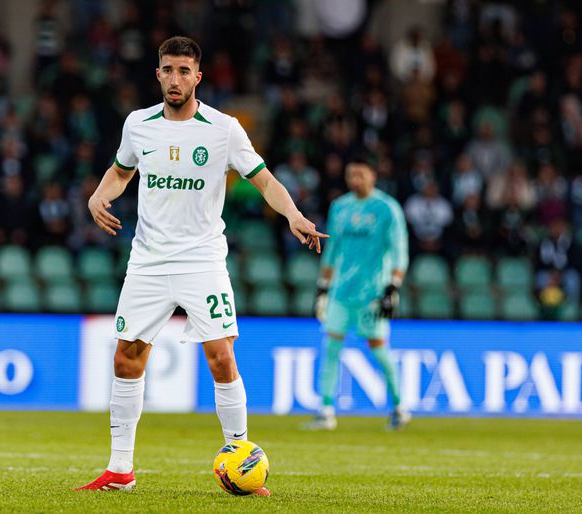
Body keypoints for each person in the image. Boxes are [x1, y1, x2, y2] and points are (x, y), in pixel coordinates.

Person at [74, 36, 326, 494]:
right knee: (126, 358)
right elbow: (121, 172)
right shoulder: (138, 125)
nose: (175, 79)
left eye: (184, 71)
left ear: (198, 77)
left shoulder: (223, 129)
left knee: (221, 356)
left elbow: (264, 180)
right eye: (168, 70)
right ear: (158, 75)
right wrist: (97, 195)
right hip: (148, 262)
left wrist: (293, 215)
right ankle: (120, 469)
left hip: (202, 261)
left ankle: (243, 458)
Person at [304, 160, 411, 431]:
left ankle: (399, 407)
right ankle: (326, 410)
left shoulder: (387, 208)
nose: (354, 180)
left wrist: (392, 287)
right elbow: (331, 251)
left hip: (372, 293)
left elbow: (399, 250)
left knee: (379, 350)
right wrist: (323, 288)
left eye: (360, 174)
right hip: (341, 292)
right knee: (331, 347)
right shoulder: (340, 207)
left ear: (373, 175)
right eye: (350, 174)